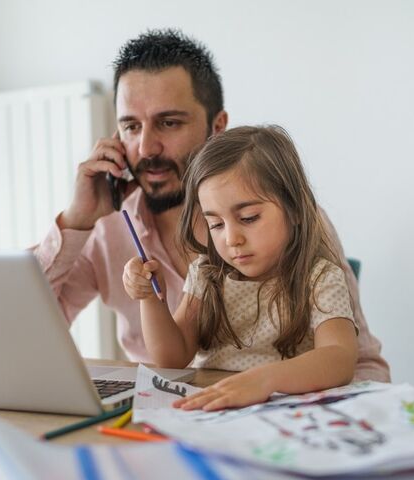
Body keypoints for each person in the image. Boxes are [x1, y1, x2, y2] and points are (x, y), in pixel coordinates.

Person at [33, 29, 390, 382]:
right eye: (130, 126)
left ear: (217, 127)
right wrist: (76, 220)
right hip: (182, 411)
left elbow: (359, 362)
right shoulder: (110, 226)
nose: (146, 148)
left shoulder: (300, 225)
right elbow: (21, 326)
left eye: (168, 123)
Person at [123, 125, 359, 410]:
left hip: (285, 416)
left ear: (295, 209)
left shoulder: (319, 278)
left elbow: (340, 358)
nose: (231, 239)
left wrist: (265, 380)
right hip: (213, 412)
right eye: (216, 224)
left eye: (248, 218)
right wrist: (149, 299)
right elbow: (171, 359)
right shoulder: (206, 274)